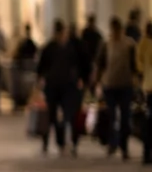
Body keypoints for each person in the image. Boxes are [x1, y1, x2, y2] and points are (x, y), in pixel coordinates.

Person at [37, 20, 85, 156]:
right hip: (54, 86)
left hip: (67, 86)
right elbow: (41, 67)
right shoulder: (53, 48)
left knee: (68, 115)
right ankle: (57, 141)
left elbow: (80, 64)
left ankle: (66, 142)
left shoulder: (70, 47)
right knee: (52, 115)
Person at [95, 16, 137, 160]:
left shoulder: (129, 44)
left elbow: (134, 65)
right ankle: (113, 144)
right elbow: (100, 64)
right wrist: (97, 82)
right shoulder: (106, 44)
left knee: (124, 117)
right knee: (112, 116)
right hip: (110, 85)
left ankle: (123, 146)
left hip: (125, 85)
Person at [138, 15, 152, 164]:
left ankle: (146, 153)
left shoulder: (143, 43)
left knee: (148, 121)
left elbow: (139, 64)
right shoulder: (144, 44)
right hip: (149, 87)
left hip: (148, 87)